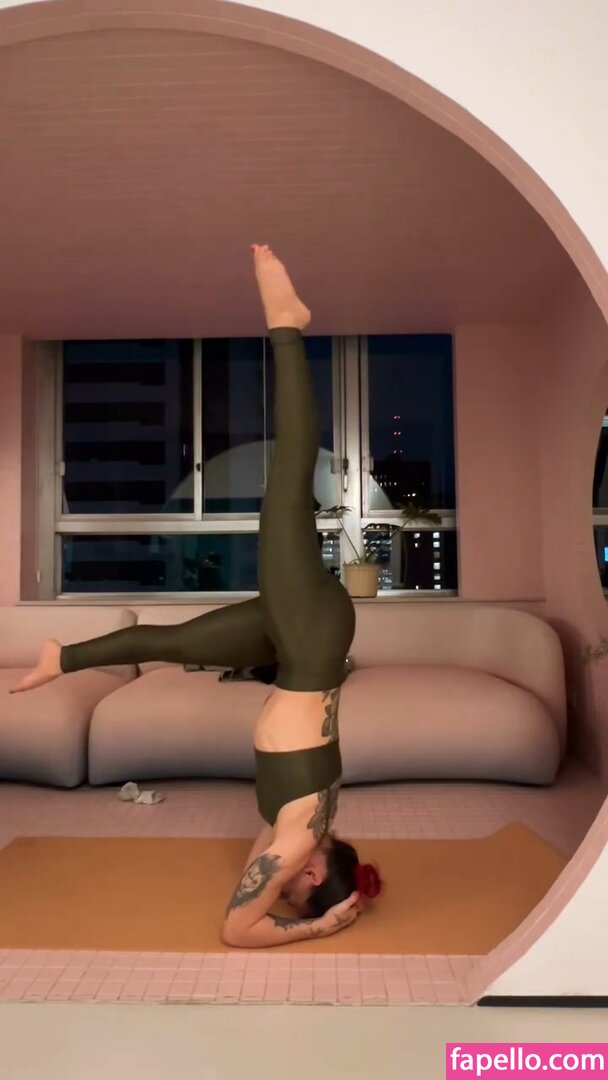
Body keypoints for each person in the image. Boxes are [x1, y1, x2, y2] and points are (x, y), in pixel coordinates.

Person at [11, 245, 382, 947]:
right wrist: (320, 927)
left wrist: (322, 902)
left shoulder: (300, 830)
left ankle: (64, 657)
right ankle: (287, 324)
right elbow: (239, 929)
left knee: (170, 641)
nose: (281, 888)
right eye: (297, 891)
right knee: (288, 478)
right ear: (311, 873)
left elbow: (256, 889)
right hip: (309, 640)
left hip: (292, 642)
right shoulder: (300, 834)